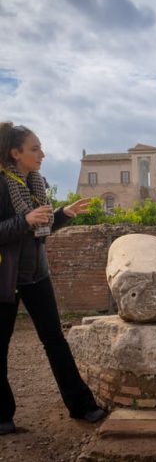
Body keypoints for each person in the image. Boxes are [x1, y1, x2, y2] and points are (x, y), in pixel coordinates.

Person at [0, 122, 106, 436]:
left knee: (55, 341)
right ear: (14, 153)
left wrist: (62, 215)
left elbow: (38, 230)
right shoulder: (1, 184)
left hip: (37, 276)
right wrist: (24, 220)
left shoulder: (34, 182)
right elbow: (19, 226)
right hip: (5, 279)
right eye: (35, 149)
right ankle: (2, 417)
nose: (42, 154)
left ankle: (82, 406)